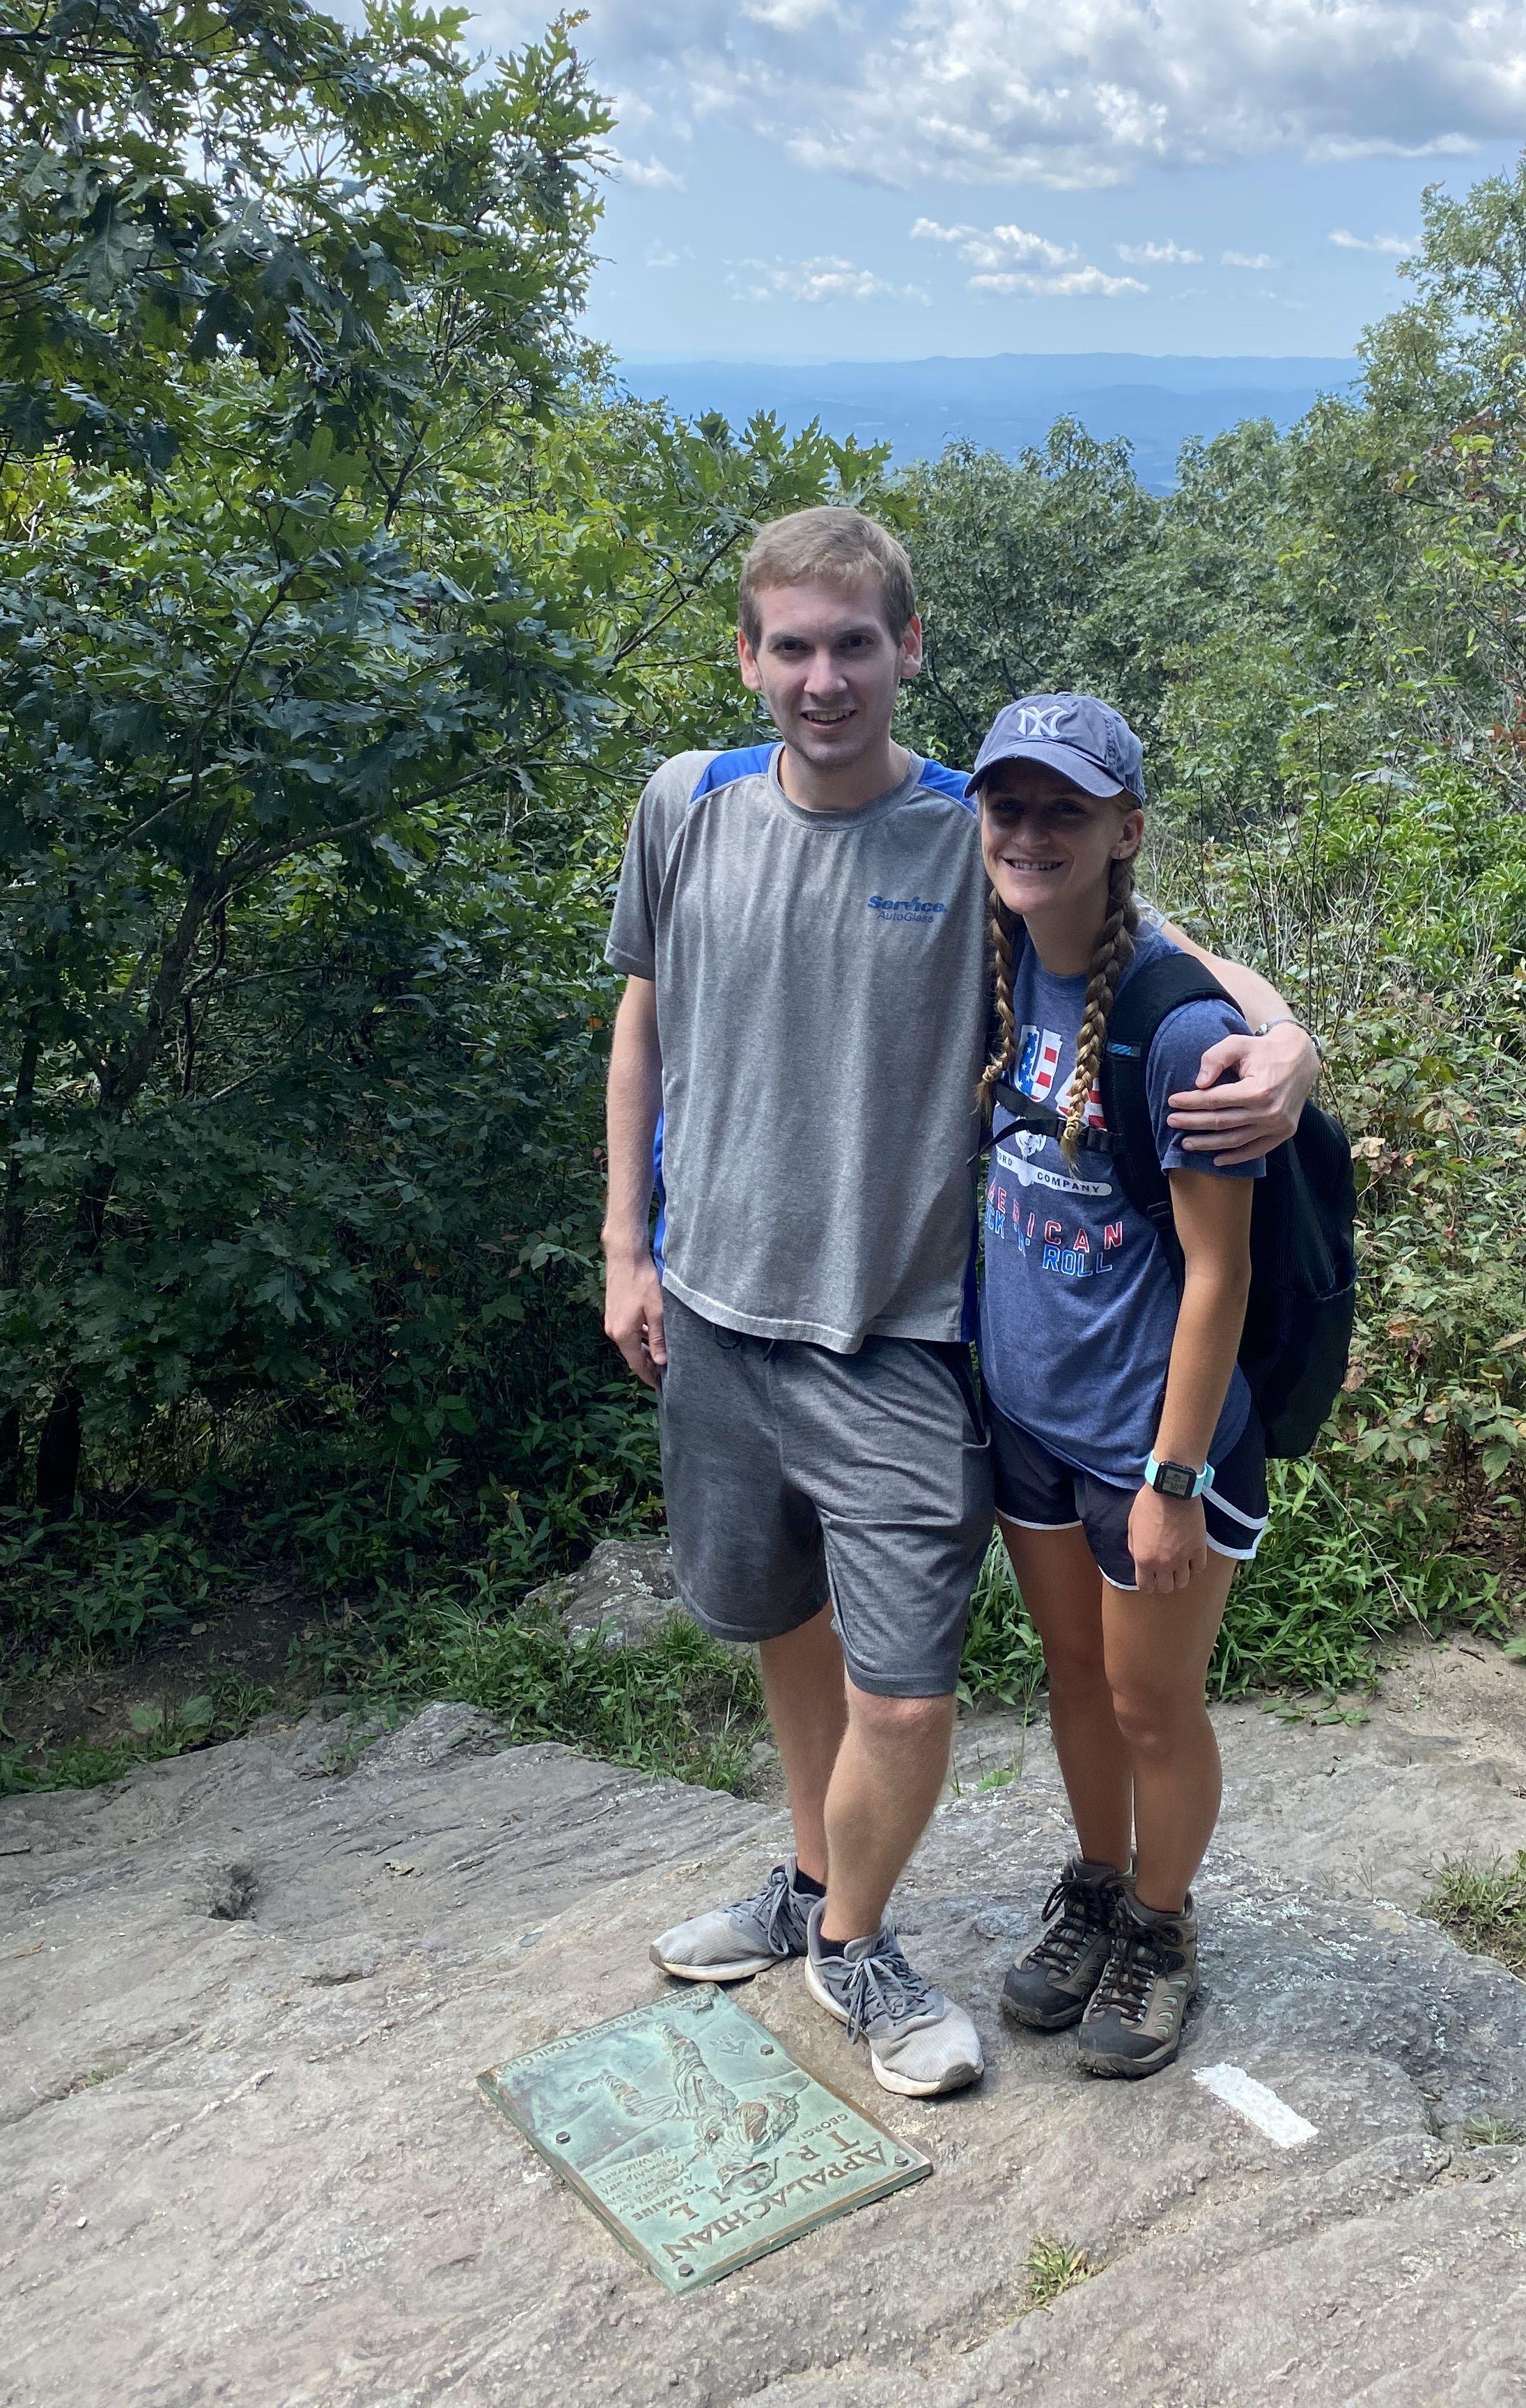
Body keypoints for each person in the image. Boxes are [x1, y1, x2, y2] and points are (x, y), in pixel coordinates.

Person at [600, 508, 1316, 2102]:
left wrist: (1288, 1047)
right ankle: (813, 1883)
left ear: (908, 649)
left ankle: (866, 1936)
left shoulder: (964, 830)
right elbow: (641, 1020)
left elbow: (1160, 952)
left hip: (903, 1338)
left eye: (854, 642)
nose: (822, 676)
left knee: (911, 1684)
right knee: (788, 1622)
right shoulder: (687, 803)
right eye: (790, 645)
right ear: (748, 658)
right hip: (720, 1311)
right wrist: (623, 1250)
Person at [969, 693, 1270, 2079]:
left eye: (1066, 810)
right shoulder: (1001, 960)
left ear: (1125, 830)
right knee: (1077, 1679)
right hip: (1031, 1420)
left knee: (1155, 1703)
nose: (1032, 832)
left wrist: (1172, 1481)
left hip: (1150, 1445)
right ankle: (1096, 1887)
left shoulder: (1175, 1019)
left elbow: (1220, 1276)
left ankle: (1160, 1924)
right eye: (1010, 805)